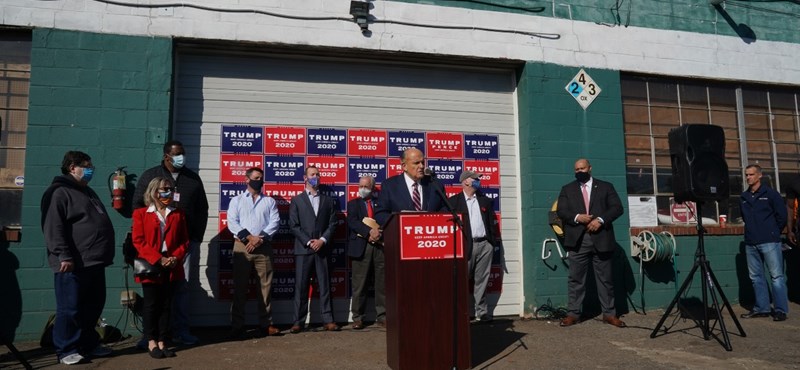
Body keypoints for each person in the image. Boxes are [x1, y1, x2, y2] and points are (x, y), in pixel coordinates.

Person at [41, 151, 115, 365]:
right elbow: (53, 227)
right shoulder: (58, 193)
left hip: (93, 262)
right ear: (72, 167)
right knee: (70, 308)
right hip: (71, 264)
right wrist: (63, 255)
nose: (90, 170)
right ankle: (66, 349)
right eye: (86, 165)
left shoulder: (87, 191)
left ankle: (88, 344)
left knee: (92, 307)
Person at [132, 140, 208, 345]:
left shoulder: (192, 178)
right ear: (167, 156)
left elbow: (202, 209)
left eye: (183, 153)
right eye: (177, 154)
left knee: (181, 288)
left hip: (181, 245)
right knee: (154, 295)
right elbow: (138, 204)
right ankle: (150, 335)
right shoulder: (151, 175)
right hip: (153, 248)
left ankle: (180, 331)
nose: (181, 157)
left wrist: (195, 238)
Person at [556, 158, 625, 328]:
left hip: (601, 238)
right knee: (575, 279)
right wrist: (577, 217)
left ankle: (609, 314)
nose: (579, 171)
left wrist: (600, 220)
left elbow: (617, 208)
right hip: (578, 240)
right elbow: (561, 211)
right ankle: (573, 314)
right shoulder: (567, 189)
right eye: (577, 169)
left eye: (582, 168)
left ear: (590, 168)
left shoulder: (605, 187)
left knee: (605, 279)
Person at [131, 177, 189, 358]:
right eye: (164, 189)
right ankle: (151, 341)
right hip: (151, 265)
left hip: (171, 265)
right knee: (151, 305)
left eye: (170, 189)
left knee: (166, 305)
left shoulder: (178, 214)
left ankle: (163, 341)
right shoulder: (141, 213)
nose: (168, 193)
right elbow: (138, 241)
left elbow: (184, 241)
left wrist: (175, 257)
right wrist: (158, 259)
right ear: (154, 191)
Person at [226, 167, 281, 338]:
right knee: (240, 288)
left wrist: (259, 239)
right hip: (242, 247)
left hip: (263, 247)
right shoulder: (236, 200)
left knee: (265, 288)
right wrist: (249, 237)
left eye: (261, 178)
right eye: (256, 177)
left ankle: (266, 324)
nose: (260, 180)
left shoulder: (269, 201)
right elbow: (232, 222)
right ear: (247, 179)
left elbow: (275, 222)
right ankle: (237, 326)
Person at [289, 166, 339, 333]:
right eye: (312, 174)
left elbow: (333, 224)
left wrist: (322, 240)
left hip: (322, 249)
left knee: (324, 286)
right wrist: (309, 242)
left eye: (318, 174)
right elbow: (294, 226)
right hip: (304, 249)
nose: (316, 177)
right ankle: (298, 322)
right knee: (301, 287)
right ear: (305, 178)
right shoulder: (296, 200)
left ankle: (328, 320)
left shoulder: (328, 200)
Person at [739, 164, 789, 321]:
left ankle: (780, 310)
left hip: (769, 241)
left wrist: (773, 232)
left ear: (759, 175)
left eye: (751, 175)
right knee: (756, 277)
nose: (748, 178)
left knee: (776, 276)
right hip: (750, 242)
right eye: (746, 175)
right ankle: (762, 308)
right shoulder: (744, 197)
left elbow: (782, 216)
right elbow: (745, 218)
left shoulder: (771, 194)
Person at [449, 170, 498, 323]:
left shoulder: (484, 201)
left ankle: (481, 313)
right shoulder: (454, 202)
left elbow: (491, 223)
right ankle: (462, 313)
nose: (478, 181)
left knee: (482, 280)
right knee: (461, 281)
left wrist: (491, 243)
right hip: (464, 246)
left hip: (484, 245)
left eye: (478, 179)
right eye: (475, 179)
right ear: (465, 182)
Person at [347, 176, 385, 329]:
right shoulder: (353, 204)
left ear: (373, 188)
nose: (362, 189)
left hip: (380, 246)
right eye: (360, 185)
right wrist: (369, 232)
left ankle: (383, 316)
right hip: (361, 246)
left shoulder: (381, 204)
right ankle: (358, 317)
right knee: (359, 284)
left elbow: (385, 220)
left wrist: (379, 233)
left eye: (366, 186)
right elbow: (353, 222)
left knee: (382, 283)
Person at [374, 147, 446, 226]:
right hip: (402, 234)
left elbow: (445, 209)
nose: (421, 166)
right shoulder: (389, 186)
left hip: (429, 234)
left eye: (422, 162)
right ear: (404, 166)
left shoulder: (434, 184)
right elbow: (380, 214)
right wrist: (402, 222)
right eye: (416, 163)